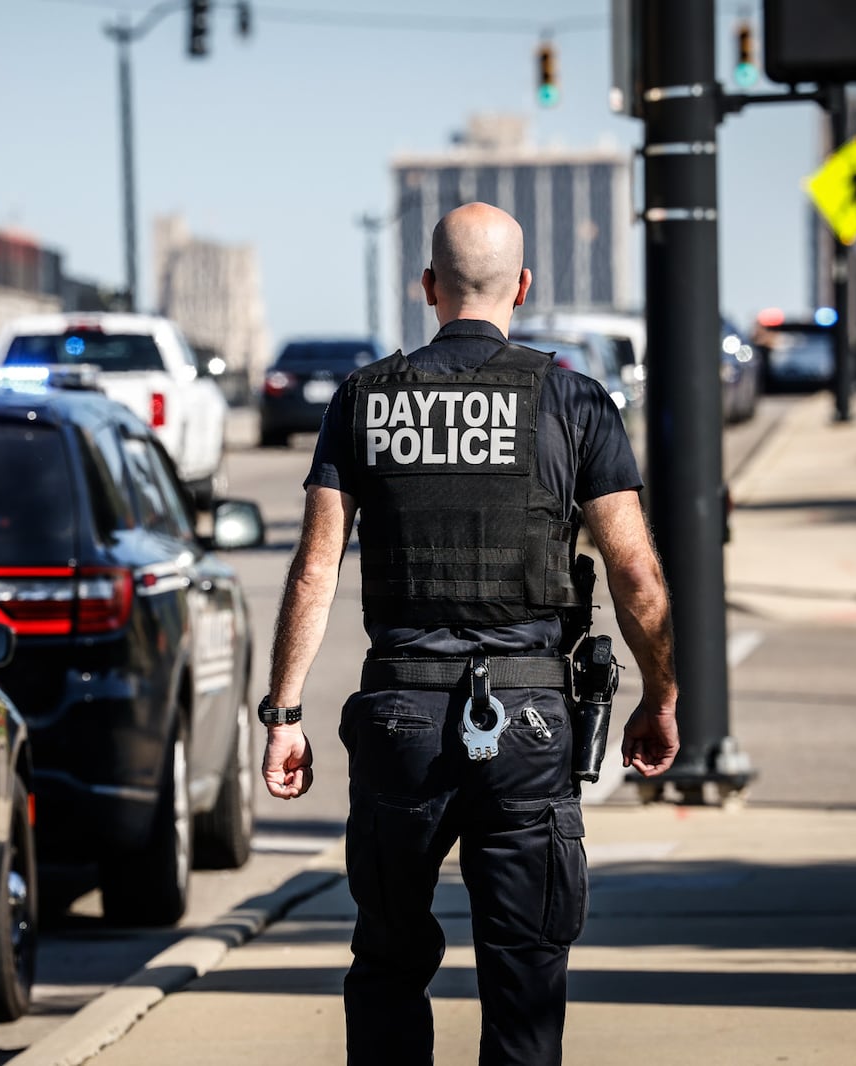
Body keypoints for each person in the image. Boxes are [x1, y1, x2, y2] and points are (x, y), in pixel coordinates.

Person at [258, 202, 679, 1066]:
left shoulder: (364, 399)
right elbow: (636, 572)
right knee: (525, 974)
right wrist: (661, 696)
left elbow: (315, 569)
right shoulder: (571, 399)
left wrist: (285, 715)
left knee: (386, 962)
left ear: (427, 289)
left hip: (401, 721)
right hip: (529, 720)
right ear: (523, 287)